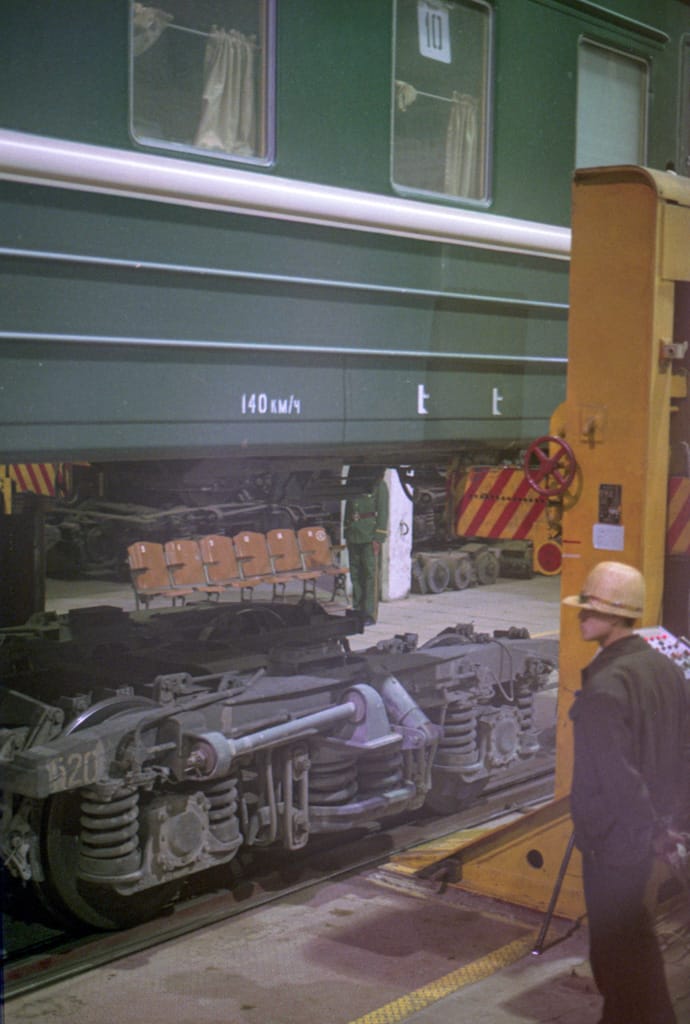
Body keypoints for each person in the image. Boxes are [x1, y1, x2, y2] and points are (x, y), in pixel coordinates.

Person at [563, 560, 689, 1024]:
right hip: (648, 833)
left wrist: (646, 830)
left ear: (616, 615)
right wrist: (669, 823)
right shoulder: (664, 669)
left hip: (614, 841)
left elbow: (617, 779)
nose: (581, 616)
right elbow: (683, 751)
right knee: (632, 942)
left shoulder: (605, 687)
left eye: (590, 609)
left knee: (616, 955)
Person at [344, 470, 389, 625]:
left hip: (369, 536)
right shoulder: (353, 483)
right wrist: (346, 530)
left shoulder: (379, 485)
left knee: (370, 575)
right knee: (355, 574)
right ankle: (357, 609)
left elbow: (383, 512)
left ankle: (369, 613)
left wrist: (379, 537)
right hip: (354, 534)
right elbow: (349, 508)